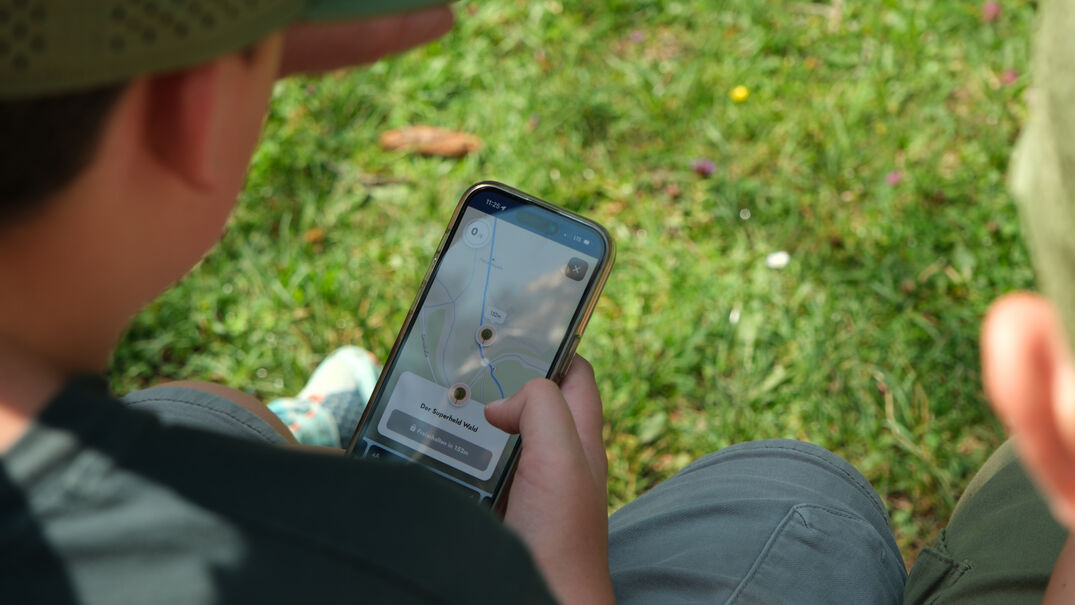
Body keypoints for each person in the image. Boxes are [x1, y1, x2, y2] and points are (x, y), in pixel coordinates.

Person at [0, 1, 1067, 605]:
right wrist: (555, 580)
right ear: (188, 119)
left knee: (199, 414)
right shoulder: (416, 557)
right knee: (800, 506)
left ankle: (289, 433)